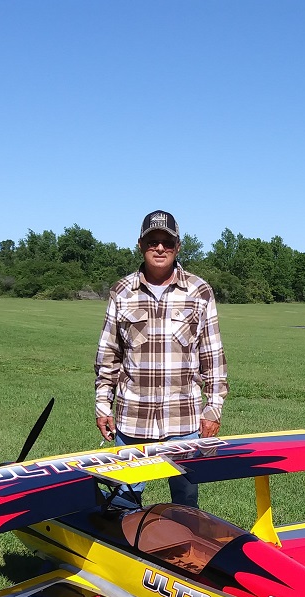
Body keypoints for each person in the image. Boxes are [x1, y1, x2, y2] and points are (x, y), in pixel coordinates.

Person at [94, 210, 228, 508]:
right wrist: (103, 405)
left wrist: (213, 409)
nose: (159, 248)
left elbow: (213, 356)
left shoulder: (199, 291)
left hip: (184, 421)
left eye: (167, 242)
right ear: (140, 245)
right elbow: (108, 355)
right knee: (124, 500)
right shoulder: (121, 291)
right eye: (152, 241)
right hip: (132, 420)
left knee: (186, 504)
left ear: (177, 246)